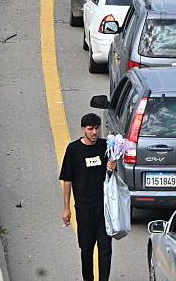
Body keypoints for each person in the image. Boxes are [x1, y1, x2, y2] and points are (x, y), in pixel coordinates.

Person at [59, 113, 117, 281]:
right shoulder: (74, 150)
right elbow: (67, 180)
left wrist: (112, 168)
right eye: (90, 129)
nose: (94, 132)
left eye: (97, 128)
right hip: (84, 209)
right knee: (86, 249)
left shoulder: (106, 146)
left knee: (105, 248)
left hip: (104, 207)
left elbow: (112, 177)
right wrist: (66, 208)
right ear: (83, 129)